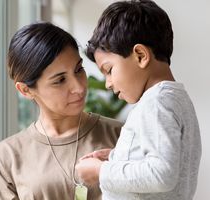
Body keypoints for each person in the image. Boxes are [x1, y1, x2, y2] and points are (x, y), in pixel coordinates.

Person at [75, 0, 201, 200]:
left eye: (109, 70)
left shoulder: (156, 104)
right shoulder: (175, 99)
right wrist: (115, 158)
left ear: (141, 55)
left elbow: (161, 174)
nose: (107, 83)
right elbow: (166, 158)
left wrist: (101, 171)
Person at [0, 21, 123, 200]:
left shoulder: (123, 135)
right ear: (25, 90)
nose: (79, 87)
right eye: (60, 80)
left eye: (78, 69)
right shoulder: (7, 157)